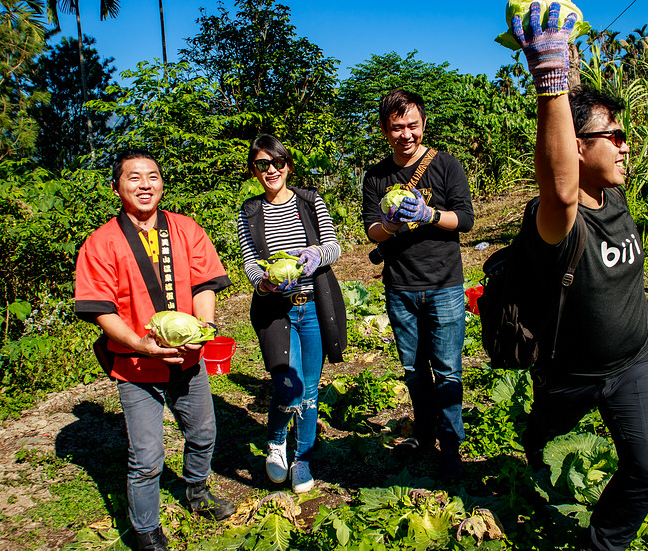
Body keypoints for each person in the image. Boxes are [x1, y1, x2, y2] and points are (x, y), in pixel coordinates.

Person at [511, 2, 648, 551]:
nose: (626, 144)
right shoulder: (555, 222)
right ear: (578, 146)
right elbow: (560, 187)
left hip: (634, 361)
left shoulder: (618, 196)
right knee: (547, 429)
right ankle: (535, 435)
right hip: (571, 374)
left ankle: (600, 545)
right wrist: (552, 79)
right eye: (614, 136)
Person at [74, 149, 235, 551]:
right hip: (134, 366)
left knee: (203, 434)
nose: (145, 185)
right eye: (134, 178)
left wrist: (206, 327)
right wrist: (140, 345)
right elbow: (102, 311)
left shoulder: (185, 229)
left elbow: (204, 285)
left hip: (187, 358)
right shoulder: (100, 244)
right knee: (146, 456)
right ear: (116, 188)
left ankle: (196, 492)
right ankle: (145, 529)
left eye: (153, 177)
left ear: (162, 184)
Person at [361, 89, 475, 480]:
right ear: (384, 129)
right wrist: (389, 225)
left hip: (444, 284)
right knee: (414, 369)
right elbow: (372, 230)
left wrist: (429, 214)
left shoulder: (446, 165)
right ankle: (425, 432)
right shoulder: (375, 176)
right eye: (396, 127)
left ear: (423, 125)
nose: (405, 134)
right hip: (400, 286)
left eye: (412, 125)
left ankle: (451, 445)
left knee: (447, 370)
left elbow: (465, 220)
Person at [237, 134, 346, 494]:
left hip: (313, 306)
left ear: (288, 165)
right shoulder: (249, 211)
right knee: (289, 387)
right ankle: (275, 441)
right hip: (276, 310)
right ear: (255, 170)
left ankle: (302, 458)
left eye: (277, 163)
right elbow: (250, 262)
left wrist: (317, 256)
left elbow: (333, 245)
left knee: (310, 390)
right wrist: (265, 284)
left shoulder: (311, 200)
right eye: (263, 164)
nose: (272, 170)